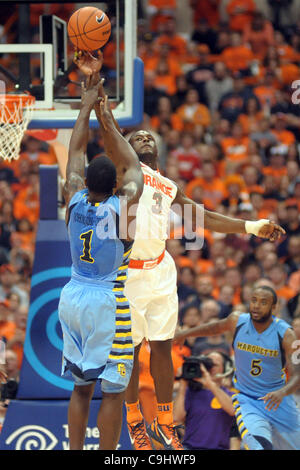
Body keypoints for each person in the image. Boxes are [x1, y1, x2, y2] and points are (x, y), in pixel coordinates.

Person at [76, 51, 286, 451]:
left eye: (148, 137)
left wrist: (251, 226)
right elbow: (108, 127)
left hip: (161, 269)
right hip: (128, 273)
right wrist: (97, 81)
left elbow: (202, 216)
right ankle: (135, 417)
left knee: (162, 346)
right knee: (132, 352)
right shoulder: (127, 171)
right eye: (136, 138)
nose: (144, 138)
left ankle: (167, 422)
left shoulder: (168, 186)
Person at [58, 69, 143, 450]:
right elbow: (134, 168)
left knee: (80, 388)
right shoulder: (122, 209)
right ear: (114, 187)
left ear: (84, 182)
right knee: (111, 391)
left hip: (72, 295)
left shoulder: (73, 198)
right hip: (107, 302)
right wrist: (107, 116)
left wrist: (86, 106)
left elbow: (75, 153)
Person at [174, 286, 300, 450]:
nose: (256, 305)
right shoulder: (237, 320)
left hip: (278, 399)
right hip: (248, 400)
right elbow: (213, 328)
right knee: (259, 446)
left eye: (263, 302)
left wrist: (282, 392)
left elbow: (297, 375)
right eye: (254, 300)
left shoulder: (286, 334)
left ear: (274, 308)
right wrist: (185, 334)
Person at [173, 351, 235, 450]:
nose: (210, 368)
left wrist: (209, 383)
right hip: (190, 447)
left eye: (214, 365)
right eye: (207, 364)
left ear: (225, 369)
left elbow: (232, 410)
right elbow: (176, 417)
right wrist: (183, 385)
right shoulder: (191, 392)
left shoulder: (230, 395)